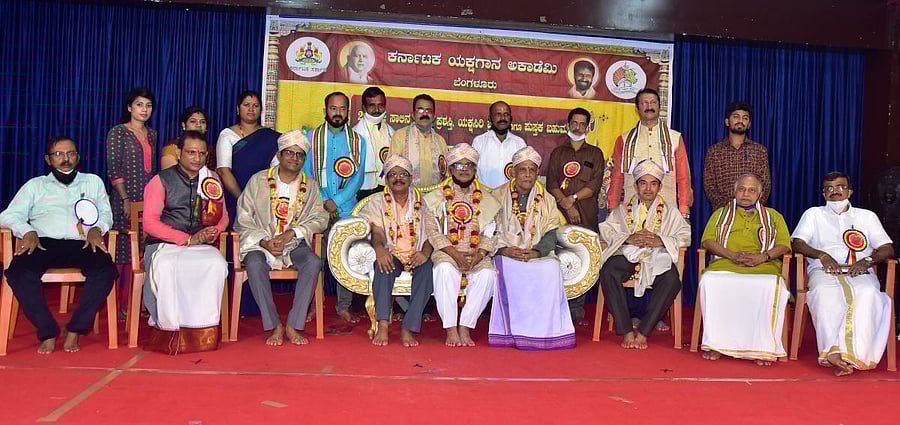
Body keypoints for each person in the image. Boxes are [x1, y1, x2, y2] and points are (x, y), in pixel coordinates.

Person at [0, 136, 115, 354]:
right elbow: (7, 216)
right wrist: (27, 231)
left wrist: (96, 229)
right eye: (59, 154)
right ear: (48, 159)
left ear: (78, 157)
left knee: (105, 269)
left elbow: (106, 214)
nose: (65, 159)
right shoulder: (35, 185)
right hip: (43, 243)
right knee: (19, 272)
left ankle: (76, 329)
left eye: (70, 153)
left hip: (81, 243)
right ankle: (48, 330)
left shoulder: (93, 181)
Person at [791, 172, 894, 376]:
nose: (835, 192)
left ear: (850, 191)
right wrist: (821, 255)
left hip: (860, 271)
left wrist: (867, 261)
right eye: (829, 188)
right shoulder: (813, 214)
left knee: (867, 294)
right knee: (824, 293)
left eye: (840, 187)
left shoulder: (866, 216)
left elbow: (887, 249)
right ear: (823, 193)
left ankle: (855, 355)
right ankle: (833, 352)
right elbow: (797, 243)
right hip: (824, 270)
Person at [235, 130, 329, 346]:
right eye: (289, 153)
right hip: (261, 243)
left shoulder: (311, 185)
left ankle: (294, 324)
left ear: (304, 159)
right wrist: (264, 241)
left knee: (313, 262)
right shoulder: (258, 181)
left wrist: (292, 233)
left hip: (294, 243)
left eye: (299, 155)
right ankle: (274, 324)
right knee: (255, 264)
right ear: (279, 154)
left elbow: (320, 217)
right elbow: (243, 218)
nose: (294, 158)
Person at [142, 131, 228, 354]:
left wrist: (214, 230)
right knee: (168, 267)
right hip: (165, 244)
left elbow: (225, 217)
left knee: (216, 265)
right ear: (179, 153)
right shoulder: (160, 180)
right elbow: (150, 224)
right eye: (191, 152)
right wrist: (187, 239)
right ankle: (169, 330)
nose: (196, 158)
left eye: (201, 154)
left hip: (201, 245)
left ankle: (202, 333)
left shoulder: (212, 180)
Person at [698, 173, 791, 366]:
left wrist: (762, 257)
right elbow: (707, 241)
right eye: (741, 189)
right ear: (734, 191)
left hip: (763, 266)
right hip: (726, 262)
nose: (746, 194)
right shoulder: (720, 214)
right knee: (711, 281)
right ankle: (717, 344)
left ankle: (763, 348)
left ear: (760, 194)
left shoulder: (774, 216)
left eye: (751, 190)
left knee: (772, 286)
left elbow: (784, 245)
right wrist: (731, 255)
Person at [488, 146, 575, 350]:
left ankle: (545, 332)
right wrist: (504, 250)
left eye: (532, 170)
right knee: (506, 267)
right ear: (513, 172)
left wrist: (537, 251)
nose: (527, 174)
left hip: (536, 251)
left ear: (538, 173)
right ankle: (511, 332)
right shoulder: (497, 195)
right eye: (522, 170)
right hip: (507, 251)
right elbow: (488, 230)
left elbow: (552, 232)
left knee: (551, 268)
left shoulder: (548, 199)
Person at [598, 160, 691, 349]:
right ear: (635, 186)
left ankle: (643, 331)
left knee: (672, 280)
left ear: (659, 186)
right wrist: (628, 238)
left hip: (657, 257)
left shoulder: (671, 213)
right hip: (628, 256)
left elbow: (685, 236)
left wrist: (661, 240)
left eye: (653, 183)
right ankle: (625, 330)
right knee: (608, 272)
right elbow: (607, 231)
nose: (648, 188)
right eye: (643, 183)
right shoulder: (622, 211)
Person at [424, 144, 500, 347]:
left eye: (469, 165)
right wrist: (454, 254)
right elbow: (432, 231)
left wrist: (480, 254)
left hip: (476, 254)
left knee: (488, 275)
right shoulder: (435, 198)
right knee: (444, 270)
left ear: (475, 170)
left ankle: (466, 326)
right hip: (447, 252)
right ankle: (450, 328)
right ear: (450, 169)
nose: (464, 169)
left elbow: (491, 233)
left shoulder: (487, 199)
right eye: (458, 165)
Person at [358, 155, 435, 347]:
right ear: (386, 179)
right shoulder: (377, 202)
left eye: (403, 174)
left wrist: (425, 253)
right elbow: (377, 230)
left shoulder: (425, 202)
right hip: (393, 252)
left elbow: (433, 234)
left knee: (428, 270)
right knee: (382, 266)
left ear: (410, 178)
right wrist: (380, 249)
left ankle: (408, 328)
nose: (398, 178)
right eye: (392, 174)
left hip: (417, 252)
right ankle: (383, 325)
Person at [305, 91, 367, 323]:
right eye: (333, 108)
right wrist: (325, 200)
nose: (338, 113)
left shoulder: (358, 141)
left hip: (346, 208)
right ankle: (313, 305)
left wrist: (337, 202)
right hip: (317, 208)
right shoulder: (310, 138)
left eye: (342, 109)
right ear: (325, 110)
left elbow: (358, 179)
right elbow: (307, 173)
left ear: (348, 112)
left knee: (346, 256)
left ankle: (343, 306)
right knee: (315, 259)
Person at [546, 107, 605, 325]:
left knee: (583, 258)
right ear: (568, 125)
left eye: (583, 124)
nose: (578, 127)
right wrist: (565, 203)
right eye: (575, 123)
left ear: (587, 127)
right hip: (559, 214)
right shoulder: (558, 153)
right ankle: (557, 305)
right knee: (558, 257)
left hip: (586, 213)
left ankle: (577, 309)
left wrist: (573, 199)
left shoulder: (595, 154)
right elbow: (551, 182)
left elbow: (595, 184)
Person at [106, 87, 157, 319]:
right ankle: (116, 305)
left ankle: (138, 304)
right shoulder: (118, 132)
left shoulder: (153, 134)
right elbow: (114, 168)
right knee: (121, 254)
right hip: (123, 199)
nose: (143, 109)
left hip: (148, 200)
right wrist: (125, 198)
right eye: (139, 105)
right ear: (129, 108)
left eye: (148, 105)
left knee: (143, 252)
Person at [608, 88, 692, 218]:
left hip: (668, 210)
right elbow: (617, 178)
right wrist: (612, 208)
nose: (649, 106)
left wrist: (684, 209)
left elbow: (683, 178)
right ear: (637, 108)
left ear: (659, 107)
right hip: (632, 210)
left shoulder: (675, 138)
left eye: (653, 103)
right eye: (644, 103)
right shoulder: (624, 140)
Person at [216, 90, 281, 225]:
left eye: (256, 106)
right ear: (238, 109)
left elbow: (276, 171)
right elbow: (223, 171)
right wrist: (242, 200)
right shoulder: (227, 135)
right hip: (234, 196)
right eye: (246, 105)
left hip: (263, 199)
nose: (251, 109)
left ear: (261, 110)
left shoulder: (271, 138)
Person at [703, 101, 771, 210]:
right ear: (727, 122)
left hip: (753, 214)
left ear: (749, 124)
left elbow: (765, 185)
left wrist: (751, 206)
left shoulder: (759, 151)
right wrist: (727, 208)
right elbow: (709, 185)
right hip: (723, 212)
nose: (740, 121)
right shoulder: (715, 151)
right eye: (736, 117)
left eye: (745, 118)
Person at [390, 94, 449, 187]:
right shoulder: (400, 136)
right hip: (407, 195)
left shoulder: (440, 141)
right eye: (420, 110)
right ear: (413, 115)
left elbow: (446, 174)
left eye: (428, 110)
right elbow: (392, 169)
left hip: (435, 197)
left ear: (434, 116)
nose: (424, 114)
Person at [472, 101, 527, 189]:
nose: (503, 118)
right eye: (498, 114)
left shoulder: (519, 143)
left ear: (511, 118)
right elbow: (473, 172)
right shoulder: (479, 142)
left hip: (512, 197)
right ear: (490, 118)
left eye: (506, 114)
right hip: (485, 197)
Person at [355, 86, 395, 201]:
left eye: (380, 105)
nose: (377, 110)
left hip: (387, 188)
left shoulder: (392, 133)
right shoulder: (355, 134)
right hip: (363, 190)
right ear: (364, 107)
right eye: (372, 105)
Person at [161, 106, 215, 171]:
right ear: (184, 125)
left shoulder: (209, 149)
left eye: (202, 122)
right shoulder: (173, 147)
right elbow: (169, 176)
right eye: (193, 121)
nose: (198, 125)